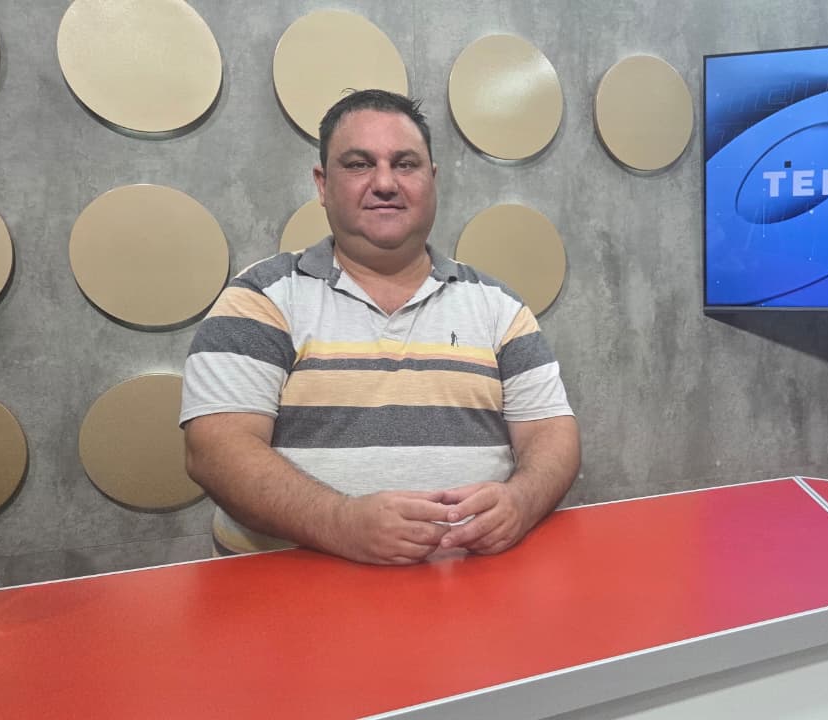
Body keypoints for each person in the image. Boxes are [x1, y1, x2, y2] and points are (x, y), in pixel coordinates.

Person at [179, 90, 579, 565]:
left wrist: (521, 501)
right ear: (323, 185)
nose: (385, 183)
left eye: (405, 164)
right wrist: (340, 523)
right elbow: (215, 451)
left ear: (432, 180)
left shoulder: (499, 307)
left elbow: (552, 434)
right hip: (286, 600)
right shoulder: (260, 300)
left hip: (469, 594)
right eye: (358, 164)